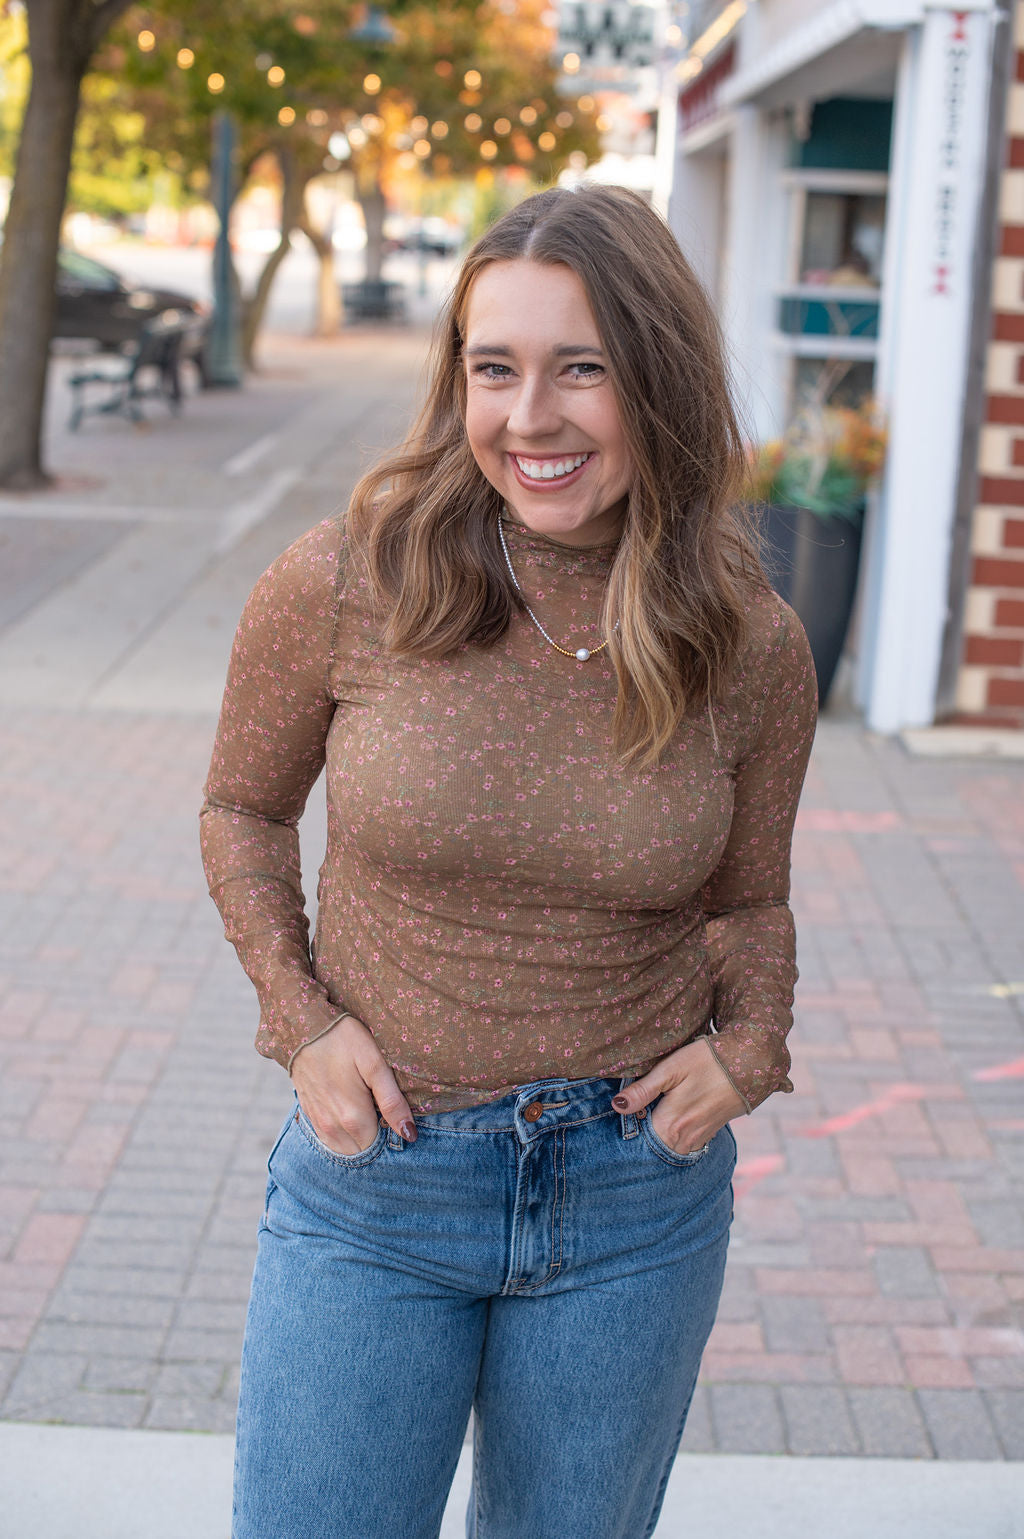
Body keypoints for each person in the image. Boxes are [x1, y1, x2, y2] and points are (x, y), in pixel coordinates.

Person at [200, 183, 817, 1539]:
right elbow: (241, 811)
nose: (529, 419)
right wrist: (298, 1024)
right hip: (379, 1187)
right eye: (495, 368)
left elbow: (750, 899)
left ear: (656, 381)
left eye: (579, 369)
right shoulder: (352, 579)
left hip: (631, 1205)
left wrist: (751, 1050)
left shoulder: (749, 642)